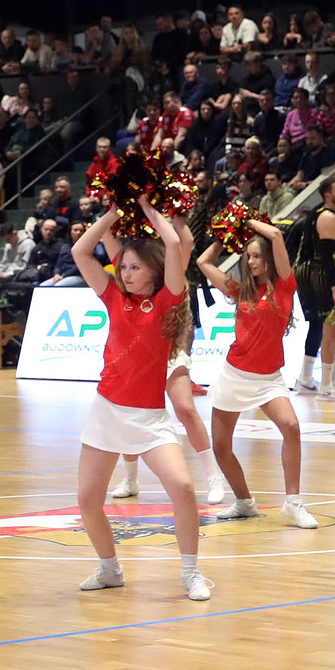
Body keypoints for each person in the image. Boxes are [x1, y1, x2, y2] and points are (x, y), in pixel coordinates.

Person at [72, 197, 211, 601]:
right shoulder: (113, 297)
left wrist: (148, 208)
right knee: (88, 498)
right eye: (124, 267)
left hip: (150, 418)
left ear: (153, 271)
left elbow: (173, 244)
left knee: (182, 487)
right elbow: (81, 251)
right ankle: (109, 569)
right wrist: (114, 212)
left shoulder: (167, 301)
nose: (126, 273)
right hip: (106, 411)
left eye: (134, 267)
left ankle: (191, 573)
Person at [196, 218, 316, 528]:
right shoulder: (240, 291)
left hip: (268, 379)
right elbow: (203, 263)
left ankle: (293, 503)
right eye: (248, 256)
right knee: (221, 446)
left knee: (291, 426)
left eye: (257, 256)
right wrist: (225, 237)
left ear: (269, 259)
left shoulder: (285, 286)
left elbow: (275, 234)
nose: (251, 262)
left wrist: (244, 219)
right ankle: (244, 502)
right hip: (233, 375)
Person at [104, 216, 227, 507]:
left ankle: (214, 477)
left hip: (169, 353)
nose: (128, 272)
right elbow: (109, 239)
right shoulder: (131, 268)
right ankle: (130, 477)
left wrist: (174, 215)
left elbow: (185, 241)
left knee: (185, 408)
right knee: (128, 412)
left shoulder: (169, 269)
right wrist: (118, 206)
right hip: (135, 356)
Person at [291, 178, 335, 400]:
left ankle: (329, 382)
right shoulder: (326, 217)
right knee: (330, 330)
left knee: (334, 330)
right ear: (328, 195)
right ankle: (326, 386)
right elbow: (327, 257)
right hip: (326, 280)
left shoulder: (324, 213)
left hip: (326, 278)